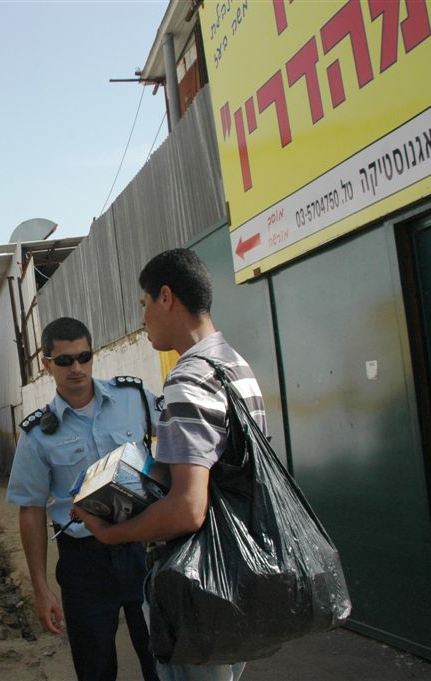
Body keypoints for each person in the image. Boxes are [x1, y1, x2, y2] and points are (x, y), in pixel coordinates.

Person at [75, 248, 267, 681]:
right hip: (237, 568)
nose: (142, 319)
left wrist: (112, 533)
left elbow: (187, 508)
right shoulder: (236, 366)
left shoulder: (188, 379)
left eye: (143, 305)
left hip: (195, 583)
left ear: (166, 297)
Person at [7, 316, 160, 681]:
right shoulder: (36, 434)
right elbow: (30, 511)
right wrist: (40, 588)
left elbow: (174, 450)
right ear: (47, 365)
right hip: (84, 565)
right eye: (64, 360)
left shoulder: (134, 399)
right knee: (95, 667)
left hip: (145, 551)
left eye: (84, 357)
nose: (76, 368)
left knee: (162, 658)